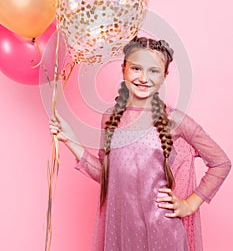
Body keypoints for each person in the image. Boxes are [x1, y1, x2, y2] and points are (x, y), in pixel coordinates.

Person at [49, 36, 231, 251]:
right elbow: (108, 176)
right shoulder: (110, 118)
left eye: (153, 71)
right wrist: (71, 139)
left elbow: (221, 162)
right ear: (124, 69)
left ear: (164, 76)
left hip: (161, 232)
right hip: (120, 229)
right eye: (136, 68)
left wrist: (189, 203)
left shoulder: (174, 120)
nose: (144, 78)